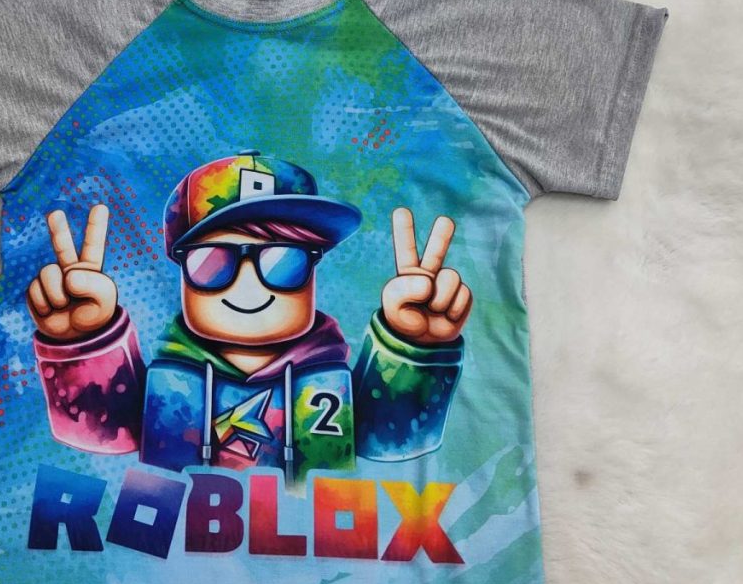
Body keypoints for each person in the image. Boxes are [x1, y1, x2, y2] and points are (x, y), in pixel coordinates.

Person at [26, 151, 472, 488]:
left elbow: (390, 439)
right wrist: (83, 341)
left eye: (283, 260)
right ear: (181, 273)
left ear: (314, 270)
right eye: (212, 262)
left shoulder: (330, 391)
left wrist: (414, 345)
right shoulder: (167, 386)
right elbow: (104, 432)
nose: (248, 284)